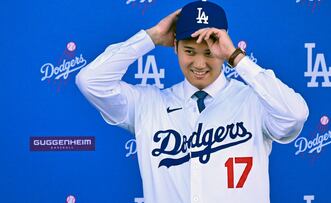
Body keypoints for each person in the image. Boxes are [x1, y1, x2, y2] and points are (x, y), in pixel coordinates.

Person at [76, 1, 309, 202]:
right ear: (175, 47)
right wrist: (152, 36)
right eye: (189, 51)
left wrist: (236, 58)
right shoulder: (148, 104)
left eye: (209, 53)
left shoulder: (253, 101)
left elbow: (295, 116)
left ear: (223, 48)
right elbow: (90, 81)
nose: (199, 64)